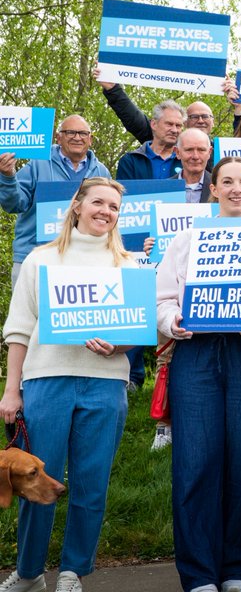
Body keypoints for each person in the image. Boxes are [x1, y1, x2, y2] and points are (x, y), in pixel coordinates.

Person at [0, 178, 136, 592]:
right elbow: (20, 329)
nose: (106, 212)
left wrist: (119, 344)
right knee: (37, 480)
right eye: (98, 202)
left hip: (106, 382)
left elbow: (138, 332)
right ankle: (28, 572)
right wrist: (11, 389)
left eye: (113, 207)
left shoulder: (128, 265)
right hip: (46, 381)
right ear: (76, 206)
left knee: (91, 482)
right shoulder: (41, 260)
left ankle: (73, 572)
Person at [156, 157, 241, 592]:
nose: (235, 188)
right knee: (195, 464)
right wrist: (175, 323)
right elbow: (162, 300)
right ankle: (199, 574)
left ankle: (236, 571)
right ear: (212, 189)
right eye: (226, 181)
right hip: (197, 355)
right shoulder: (187, 239)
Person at [0, 115, 111, 285]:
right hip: (34, 257)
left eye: (82, 133)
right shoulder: (37, 164)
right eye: (70, 132)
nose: (77, 137)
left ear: (90, 139)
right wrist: (8, 177)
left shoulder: (102, 172)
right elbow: (14, 204)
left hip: (83, 260)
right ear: (59, 137)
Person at [94, 67, 216, 142]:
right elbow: (136, 121)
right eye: (194, 117)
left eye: (205, 116)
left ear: (213, 121)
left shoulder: (219, 152)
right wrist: (113, 89)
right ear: (184, 123)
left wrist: (236, 106)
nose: (201, 121)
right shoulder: (170, 141)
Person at [115, 100, 183, 180]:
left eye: (178, 126)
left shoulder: (187, 160)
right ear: (154, 124)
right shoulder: (131, 161)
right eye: (169, 124)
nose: (174, 130)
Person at [176, 128, 213, 203]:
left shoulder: (220, 187)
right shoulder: (163, 189)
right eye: (189, 150)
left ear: (209, 152)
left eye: (201, 150)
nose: (195, 156)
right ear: (177, 152)